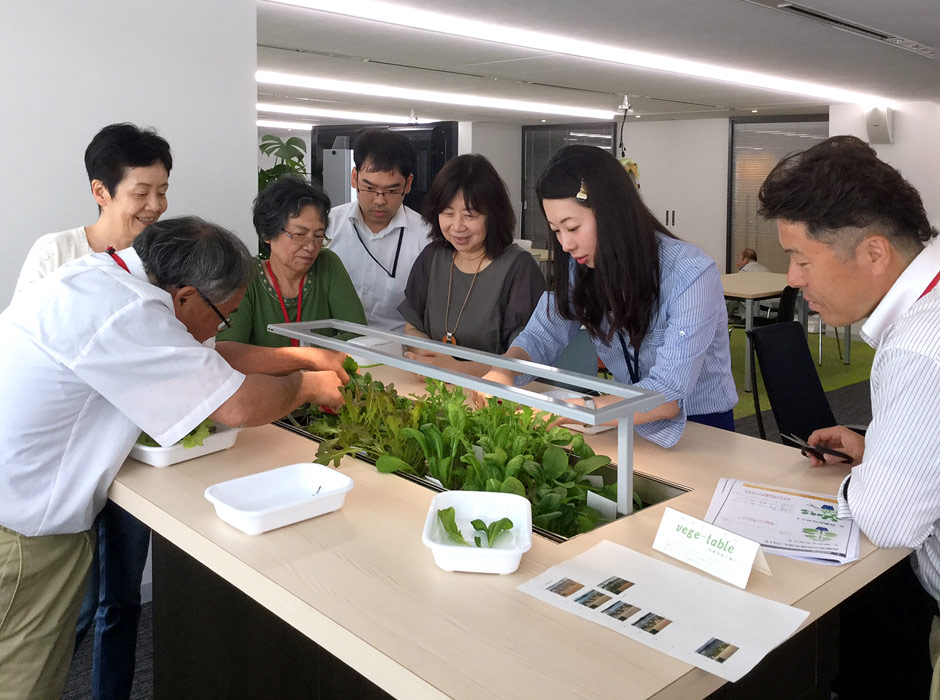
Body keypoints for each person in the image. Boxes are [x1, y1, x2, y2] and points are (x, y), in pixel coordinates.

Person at [0, 216, 346, 699]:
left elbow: (208, 355)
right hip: (20, 538)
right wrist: (308, 387)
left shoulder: (101, 278)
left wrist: (303, 358)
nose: (219, 325)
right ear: (184, 297)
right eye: (223, 313)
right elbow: (239, 404)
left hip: (14, 509)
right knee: (21, 683)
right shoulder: (132, 314)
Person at [758, 134, 940, 698]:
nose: (792, 279)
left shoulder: (920, 345)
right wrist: (879, 449)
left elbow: (886, 520)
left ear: (875, 252)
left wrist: (870, 480)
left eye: (801, 258)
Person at [12, 122, 171, 700]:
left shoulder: (155, 260)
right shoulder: (56, 252)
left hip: (126, 457)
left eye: (162, 190)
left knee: (122, 601)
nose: (154, 205)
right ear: (101, 190)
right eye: (141, 192)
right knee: (70, 608)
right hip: (66, 464)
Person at [477, 145, 737, 447]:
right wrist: (503, 371)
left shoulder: (691, 273)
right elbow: (540, 336)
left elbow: (667, 394)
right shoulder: (581, 268)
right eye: (556, 230)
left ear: (612, 214)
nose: (565, 244)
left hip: (700, 431)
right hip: (621, 420)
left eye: (572, 227)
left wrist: (576, 408)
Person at [398, 154, 545, 376]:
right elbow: (412, 327)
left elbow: (527, 357)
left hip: (497, 394)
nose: (457, 226)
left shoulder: (518, 269)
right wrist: (433, 361)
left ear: (493, 215)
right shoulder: (432, 257)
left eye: (470, 215)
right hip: (435, 388)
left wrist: (456, 369)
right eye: (447, 213)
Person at [217, 176, 366, 346]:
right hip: (265, 374)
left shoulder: (327, 264)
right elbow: (229, 349)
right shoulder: (246, 275)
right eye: (300, 235)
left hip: (324, 373)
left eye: (318, 236)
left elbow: (359, 335)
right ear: (267, 233)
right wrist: (307, 359)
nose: (311, 247)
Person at [325, 128, 431, 331]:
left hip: (398, 349)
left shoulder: (426, 238)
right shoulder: (328, 226)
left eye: (391, 191)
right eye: (370, 188)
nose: (380, 200)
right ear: (354, 177)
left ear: (408, 184)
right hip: (336, 343)